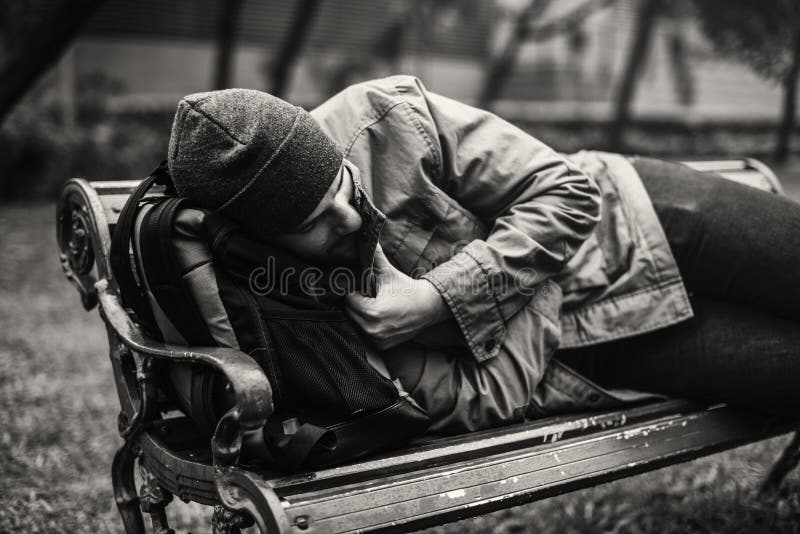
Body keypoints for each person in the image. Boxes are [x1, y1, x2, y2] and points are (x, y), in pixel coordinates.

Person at [165, 75, 800, 434]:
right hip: (595, 340)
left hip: (632, 211)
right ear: (263, 240)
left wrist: (439, 299)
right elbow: (488, 396)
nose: (352, 216)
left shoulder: (382, 117)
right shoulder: (302, 317)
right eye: (316, 223)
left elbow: (567, 191)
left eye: (343, 186)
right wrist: (533, 284)